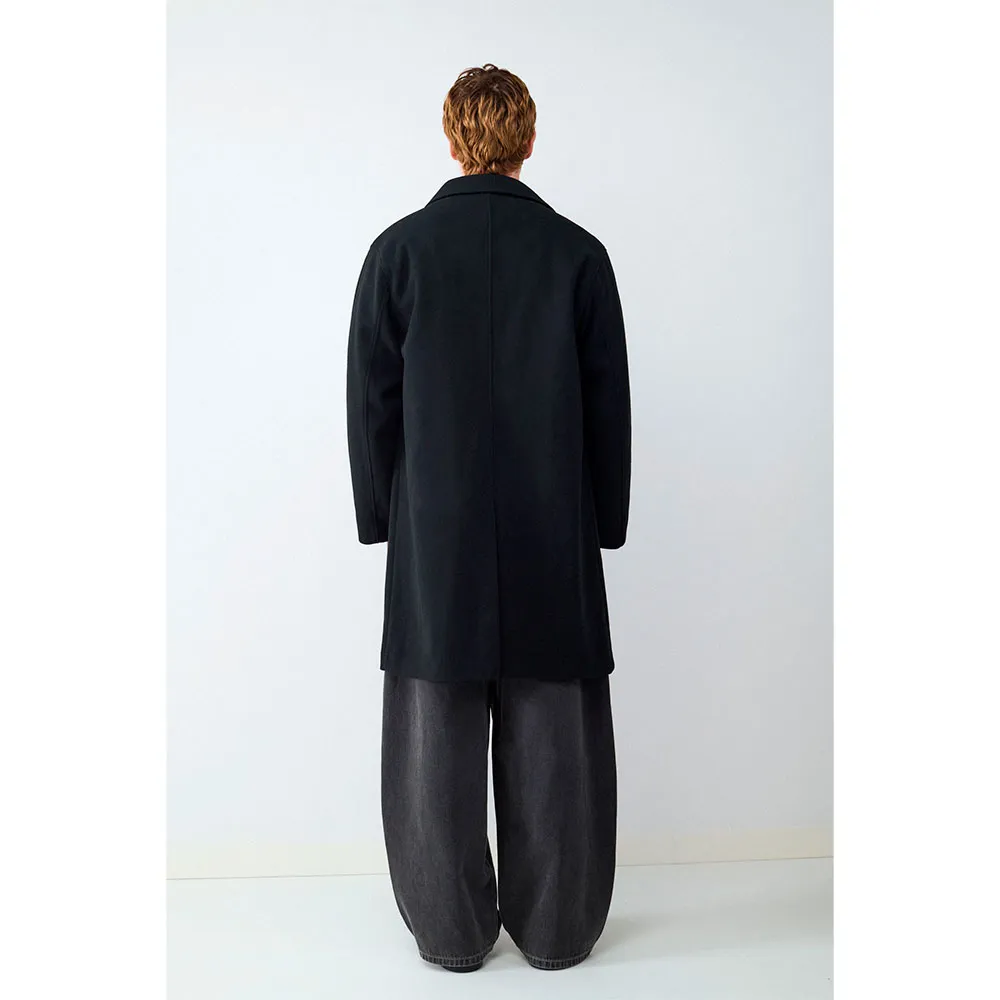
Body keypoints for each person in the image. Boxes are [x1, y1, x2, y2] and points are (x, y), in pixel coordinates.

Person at [346, 63, 631, 973]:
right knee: (556, 740)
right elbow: (608, 405)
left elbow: (370, 401)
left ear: (451, 137)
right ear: (529, 139)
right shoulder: (578, 256)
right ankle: (557, 931)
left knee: (433, 739)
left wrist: (380, 514)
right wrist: (606, 520)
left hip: (437, 535)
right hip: (552, 529)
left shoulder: (398, 253)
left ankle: (449, 932)